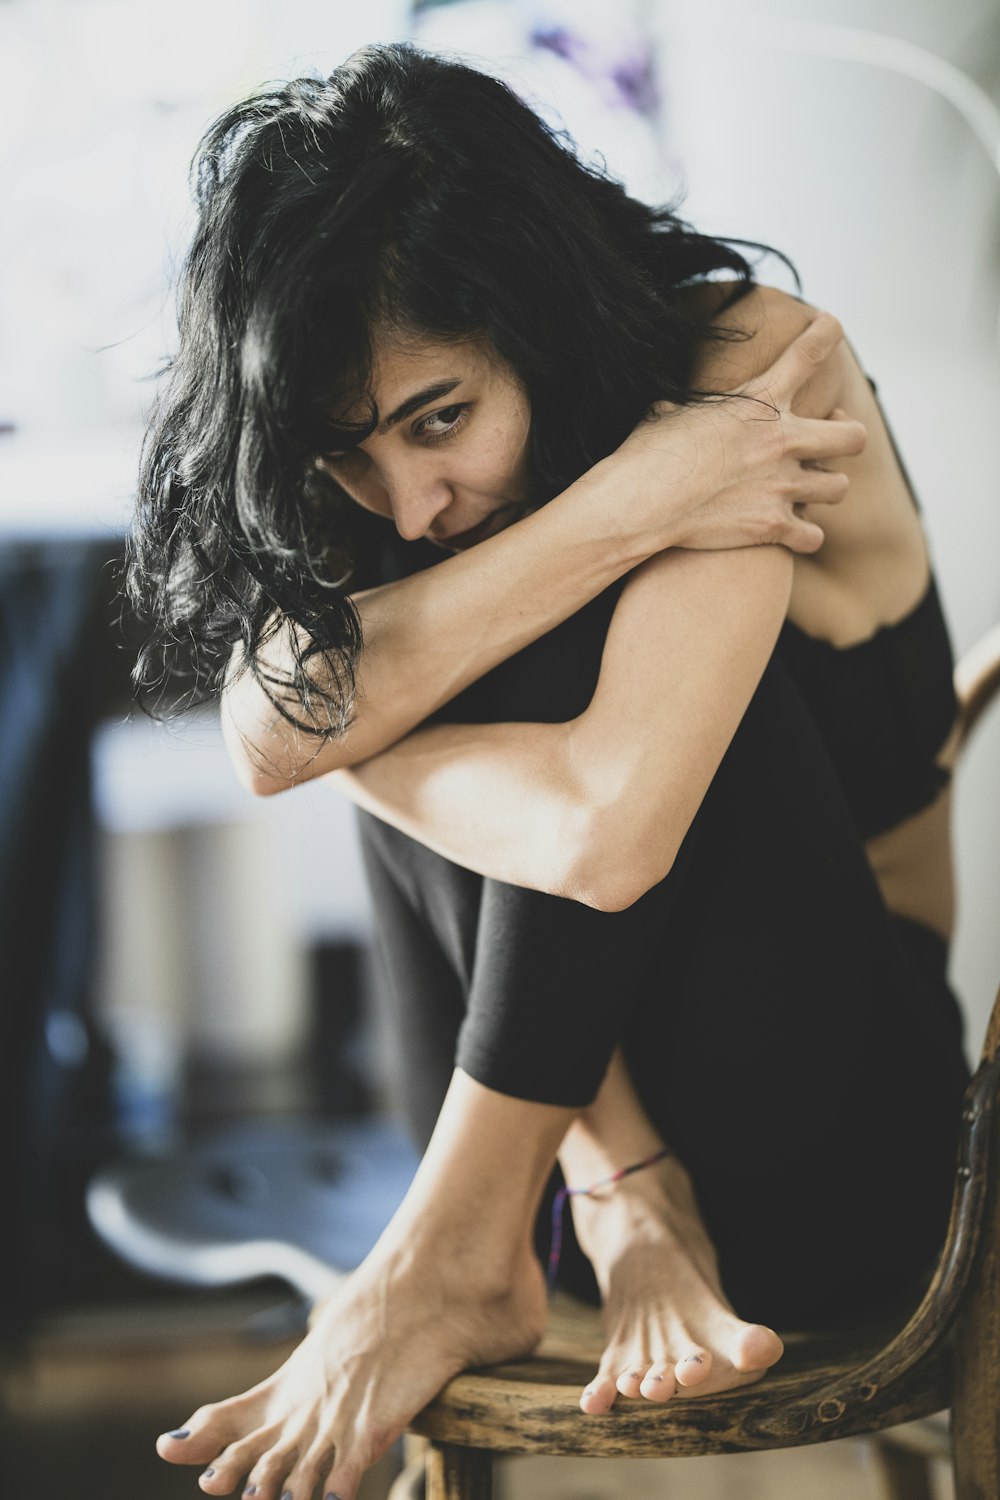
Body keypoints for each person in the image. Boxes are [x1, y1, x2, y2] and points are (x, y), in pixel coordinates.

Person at [129, 42, 970, 1500]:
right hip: (550, 1158)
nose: (409, 497)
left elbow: (603, 828)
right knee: (457, 614)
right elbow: (270, 726)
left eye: (439, 418)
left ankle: (454, 1245)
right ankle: (504, 1223)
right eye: (348, 458)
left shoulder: (750, 364)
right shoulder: (406, 466)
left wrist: (365, 750)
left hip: (834, 1136)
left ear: (542, 313)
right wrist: (633, 499)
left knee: (478, 655)